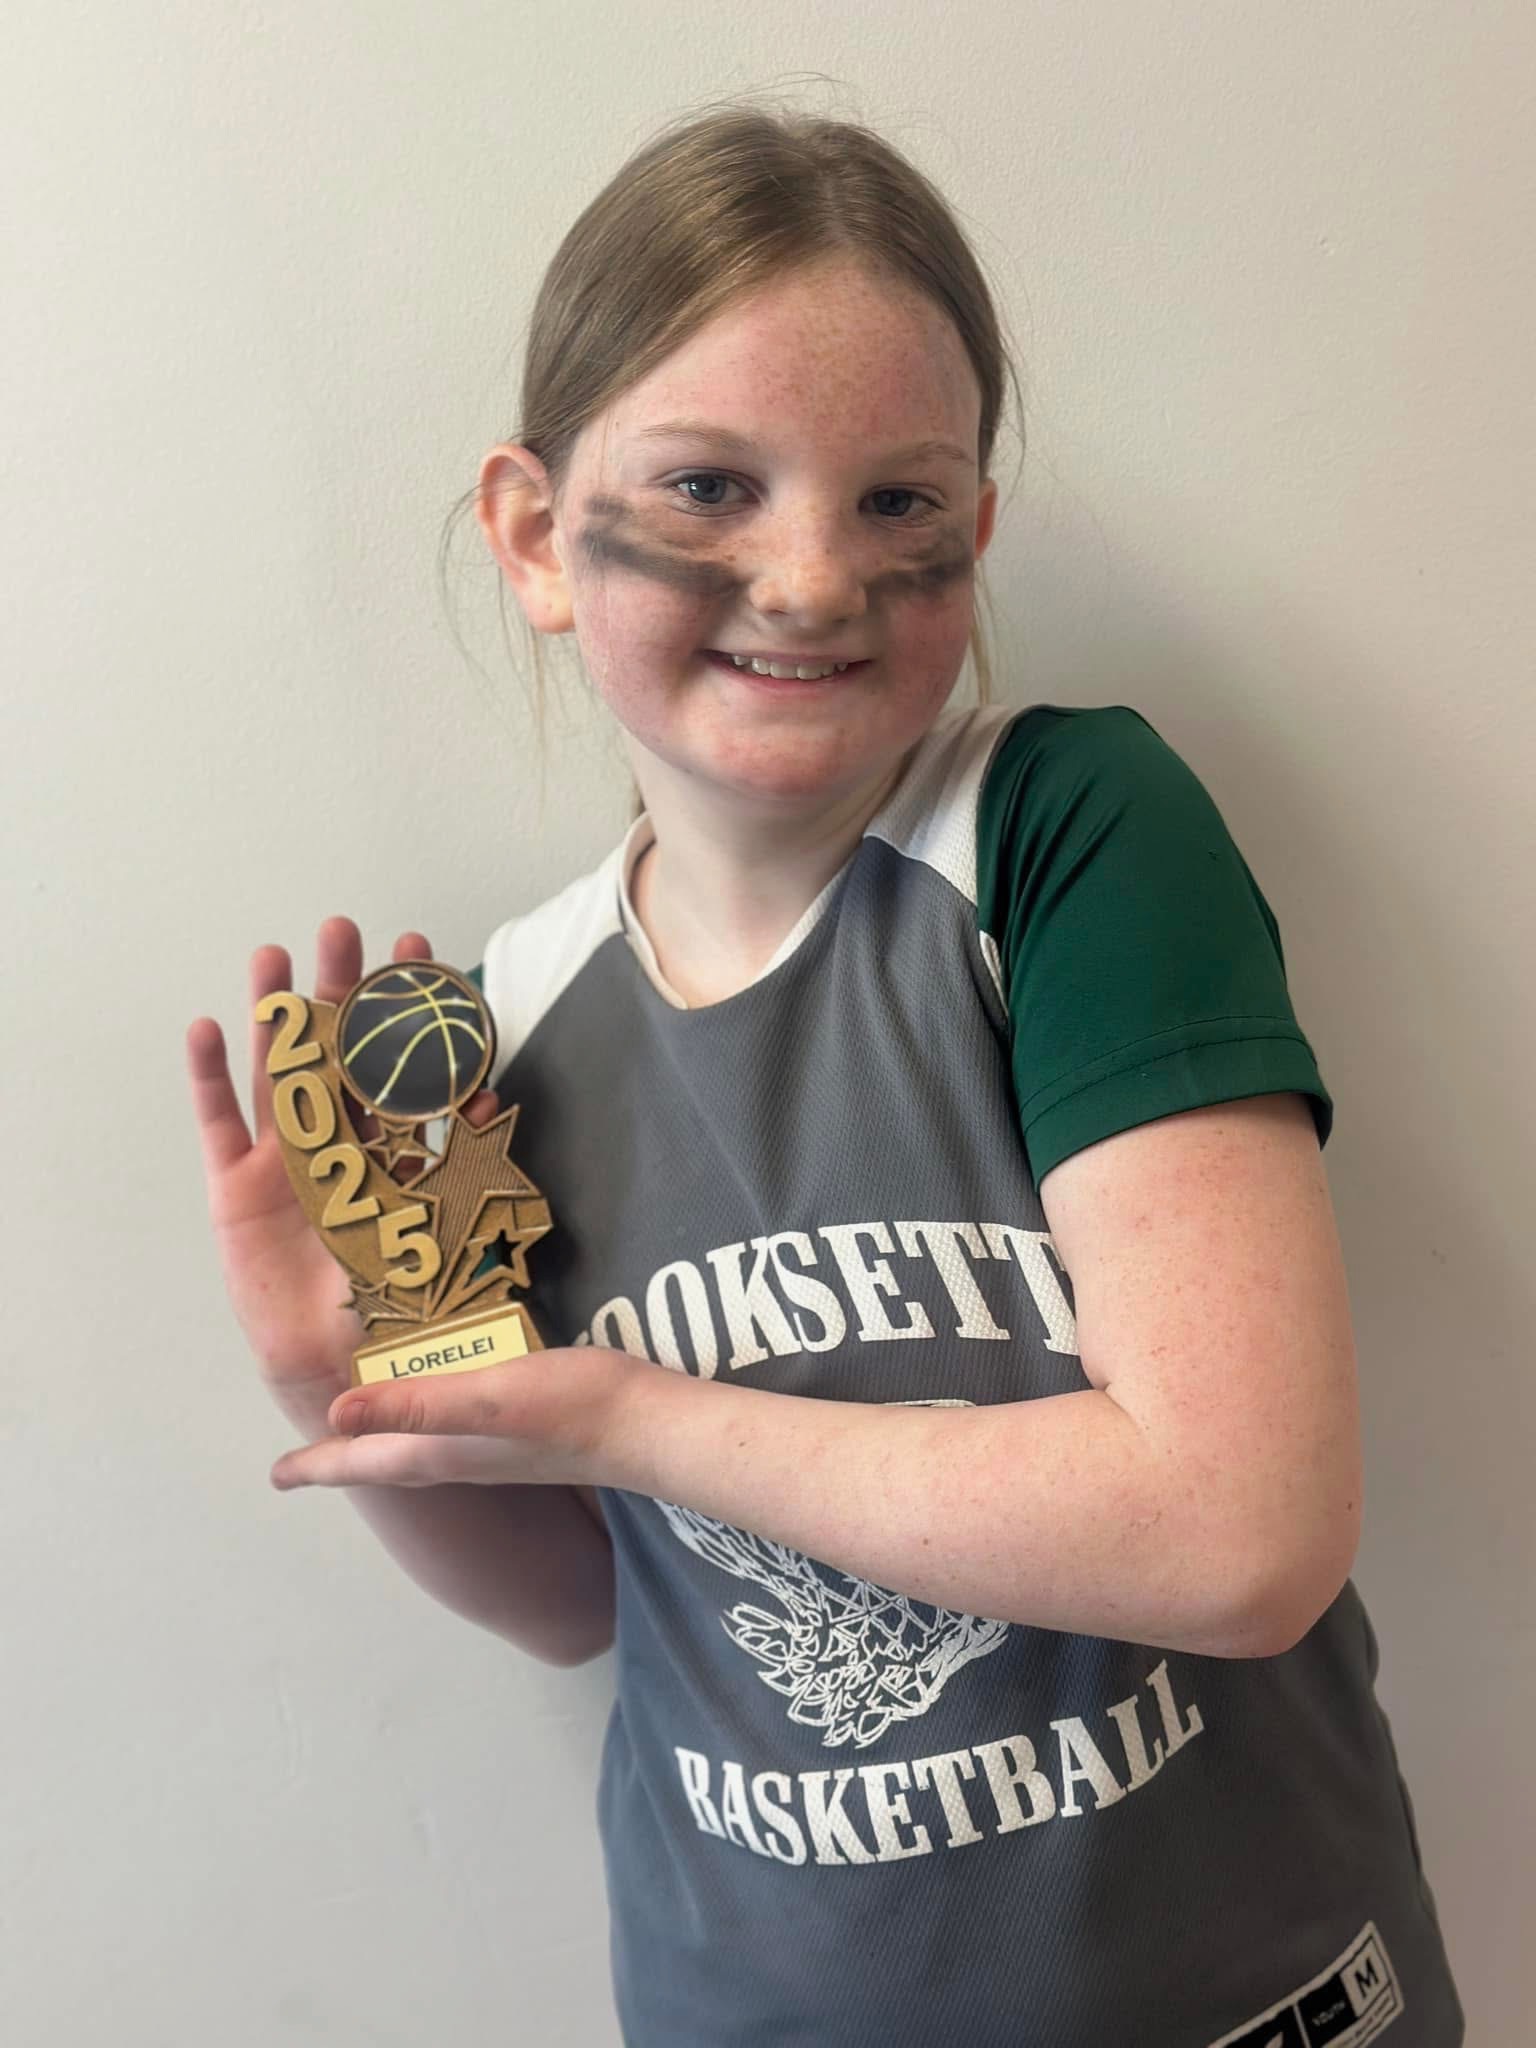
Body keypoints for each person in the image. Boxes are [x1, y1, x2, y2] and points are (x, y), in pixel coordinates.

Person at [185, 102, 1465, 2048]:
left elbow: (1240, 1533)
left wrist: (635, 1416)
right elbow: (576, 1601)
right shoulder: (481, 1041)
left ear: (977, 530)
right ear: (534, 534)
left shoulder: (1065, 832)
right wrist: (338, 1386)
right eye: (710, 485)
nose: (808, 578)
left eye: (895, 502)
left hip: (1245, 2000)